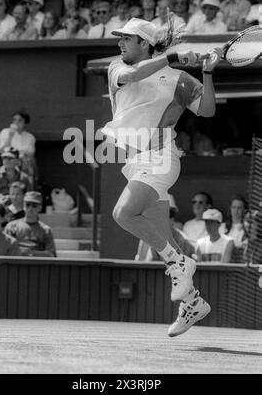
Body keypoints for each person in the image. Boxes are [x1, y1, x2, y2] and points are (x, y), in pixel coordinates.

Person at [102, 17, 221, 337]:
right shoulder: (117, 68)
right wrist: (171, 58)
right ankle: (193, 303)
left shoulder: (180, 79)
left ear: (145, 43)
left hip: (160, 158)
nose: (120, 43)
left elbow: (207, 110)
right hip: (135, 160)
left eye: (127, 38)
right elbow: (135, 73)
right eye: (120, 38)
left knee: (123, 214)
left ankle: (182, 265)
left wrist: (207, 73)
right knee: (162, 238)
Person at [4, 191, 57, 257]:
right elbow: (5, 251)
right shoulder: (11, 227)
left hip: (38, 265)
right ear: (23, 206)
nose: (30, 208)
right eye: (28, 204)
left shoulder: (46, 230)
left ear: (40, 207)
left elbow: (51, 254)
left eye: (34, 205)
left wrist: (31, 253)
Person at [220, 195, 248, 263]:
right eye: (234, 207)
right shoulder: (222, 226)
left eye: (239, 208)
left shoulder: (247, 227)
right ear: (230, 208)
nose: (236, 210)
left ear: (244, 210)